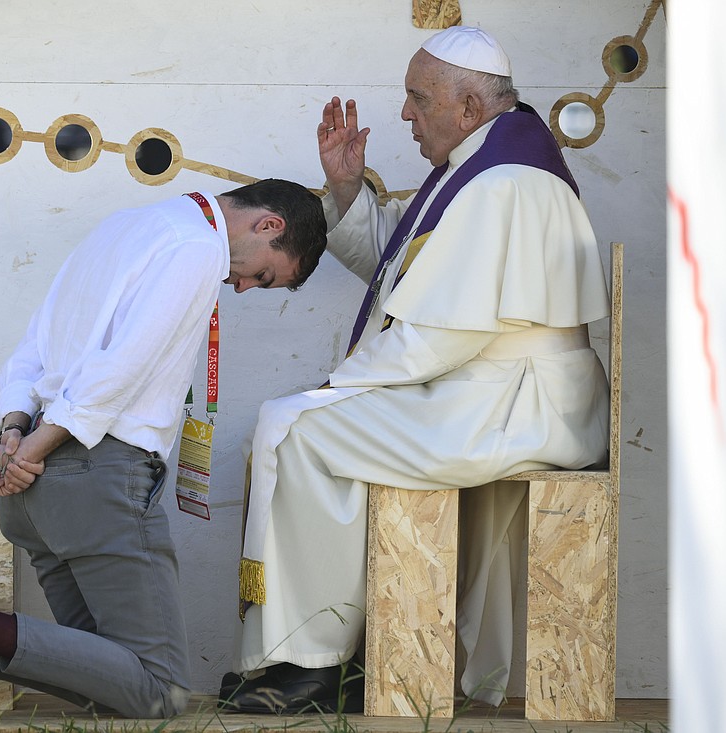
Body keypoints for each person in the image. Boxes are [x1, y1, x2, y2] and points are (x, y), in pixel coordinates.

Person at [221, 26, 611, 714]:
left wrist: (336, 388)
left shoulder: (506, 181)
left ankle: (315, 662)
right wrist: (346, 189)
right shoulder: (481, 163)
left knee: (301, 430)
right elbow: (411, 272)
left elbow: (442, 330)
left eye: (416, 97)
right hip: (490, 388)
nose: (405, 113)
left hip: (513, 399)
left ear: (466, 105)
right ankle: (328, 650)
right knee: (301, 422)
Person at [0, 178, 328, 721]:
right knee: (161, 692)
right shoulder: (197, 246)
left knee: (105, 680)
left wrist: (12, 434)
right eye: (262, 275)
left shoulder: (123, 226)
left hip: (39, 490)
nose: (241, 287)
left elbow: (35, 345)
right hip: (96, 479)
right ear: (269, 225)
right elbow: (123, 366)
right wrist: (35, 445)